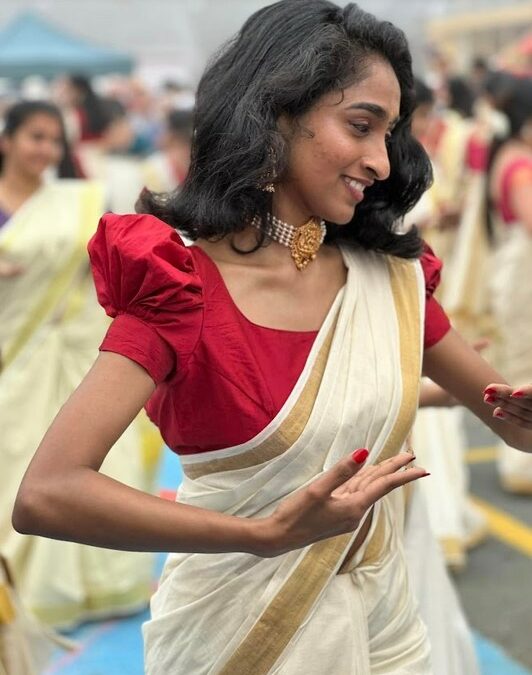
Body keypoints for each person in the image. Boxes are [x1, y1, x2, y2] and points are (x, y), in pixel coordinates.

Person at [12, 3, 532, 673]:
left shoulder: (390, 280)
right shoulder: (181, 283)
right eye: (360, 126)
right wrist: (262, 534)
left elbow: (508, 419)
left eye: (390, 133)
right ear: (277, 112)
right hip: (233, 635)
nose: (380, 160)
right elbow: (48, 492)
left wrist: (520, 417)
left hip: (387, 630)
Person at [0, 101, 156, 629]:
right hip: (12, 358)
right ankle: (18, 587)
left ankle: (103, 582)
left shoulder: (78, 200)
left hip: (76, 351)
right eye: (34, 137)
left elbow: (108, 265)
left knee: (95, 457)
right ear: (7, 140)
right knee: (15, 462)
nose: (44, 149)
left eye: (53, 139)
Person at [486, 77, 532, 494]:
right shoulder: (520, 164)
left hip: (519, 267)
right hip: (524, 272)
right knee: (525, 361)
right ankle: (522, 463)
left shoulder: (511, 155)